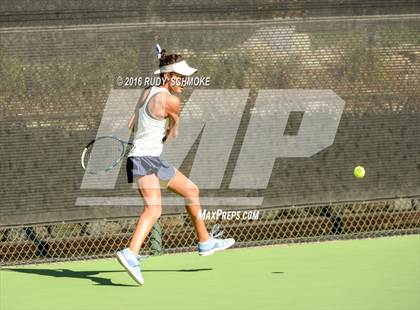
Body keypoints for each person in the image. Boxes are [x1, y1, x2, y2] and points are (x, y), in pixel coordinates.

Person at [116, 45, 235, 285]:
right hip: (143, 160)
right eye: (180, 77)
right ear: (168, 76)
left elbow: (132, 123)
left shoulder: (148, 90)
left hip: (150, 158)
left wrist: (152, 130)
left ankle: (205, 242)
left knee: (191, 190)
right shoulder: (172, 101)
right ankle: (130, 254)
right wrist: (168, 128)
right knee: (154, 210)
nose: (184, 82)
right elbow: (174, 132)